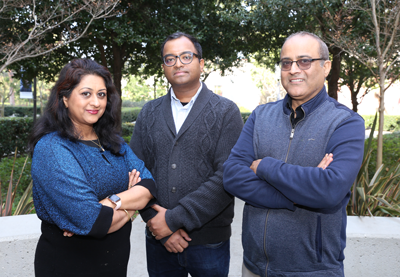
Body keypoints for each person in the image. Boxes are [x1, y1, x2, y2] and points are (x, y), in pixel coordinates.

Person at [223, 31, 365, 277]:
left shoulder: (346, 123)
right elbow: (233, 176)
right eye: (286, 63)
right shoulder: (260, 116)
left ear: (326, 66)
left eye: (304, 61)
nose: (293, 69)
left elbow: (329, 190)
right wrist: (296, 196)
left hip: (312, 270)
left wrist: (264, 167)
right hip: (254, 266)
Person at [129, 32, 243, 277]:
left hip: (209, 240)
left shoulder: (226, 112)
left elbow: (227, 177)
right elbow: (135, 170)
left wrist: (173, 220)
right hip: (159, 238)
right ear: (163, 67)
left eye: (185, 56)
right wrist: (156, 222)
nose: (177, 63)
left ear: (201, 63)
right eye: (170, 59)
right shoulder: (149, 112)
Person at [29, 58, 157, 277]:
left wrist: (109, 203)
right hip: (69, 266)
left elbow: (149, 184)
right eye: (86, 93)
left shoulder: (113, 141)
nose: (96, 102)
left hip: (114, 265)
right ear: (65, 98)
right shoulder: (53, 148)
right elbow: (95, 222)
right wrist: (132, 203)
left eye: (101, 94)